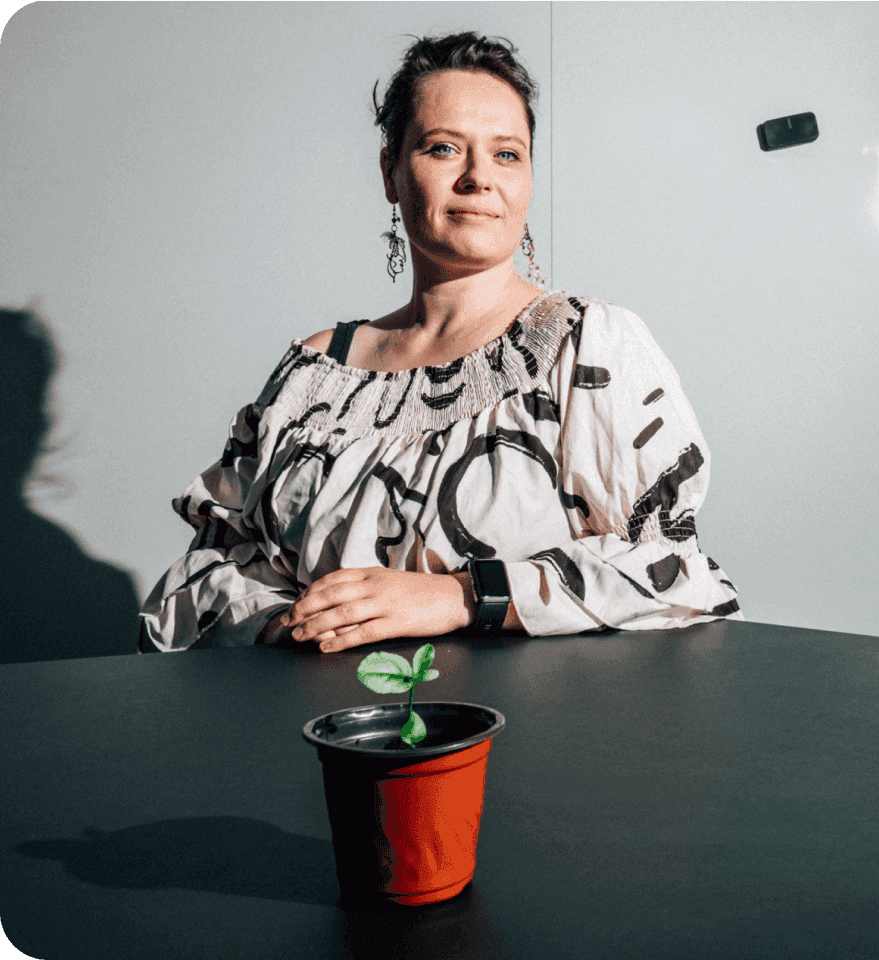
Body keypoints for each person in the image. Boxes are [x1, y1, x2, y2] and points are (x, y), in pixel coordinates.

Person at [139, 32, 741, 654]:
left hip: (519, 712)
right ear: (391, 173)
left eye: (507, 154)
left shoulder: (587, 347)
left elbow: (673, 572)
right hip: (317, 710)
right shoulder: (314, 371)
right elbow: (205, 573)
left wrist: (462, 596)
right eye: (444, 148)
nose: (479, 178)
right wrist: (288, 627)